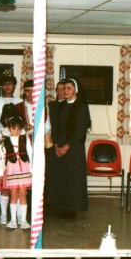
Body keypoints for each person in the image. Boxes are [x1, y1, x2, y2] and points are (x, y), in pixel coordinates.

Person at [53, 78, 91, 218]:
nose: (65, 91)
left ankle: (71, 208)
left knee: (72, 178)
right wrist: (57, 145)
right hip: (60, 147)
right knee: (61, 177)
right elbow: (56, 127)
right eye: (64, 88)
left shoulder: (80, 106)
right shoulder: (62, 106)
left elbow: (80, 130)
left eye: (69, 88)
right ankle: (61, 206)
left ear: (75, 90)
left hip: (74, 148)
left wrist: (66, 147)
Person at [0, 115, 32, 230]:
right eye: (13, 128)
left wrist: (32, 170)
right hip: (11, 168)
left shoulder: (24, 138)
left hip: (24, 168)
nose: (16, 131)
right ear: (8, 128)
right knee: (13, 195)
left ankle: (23, 220)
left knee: (22, 194)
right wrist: (0, 172)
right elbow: (1, 157)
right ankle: (12, 220)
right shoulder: (4, 139)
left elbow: (30, 153)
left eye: (18, 128)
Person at [45, 81, 65, 209]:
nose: (60, 92)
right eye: (58, 90)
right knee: (51, 175)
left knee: (64, 177)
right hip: (52, 144)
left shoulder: (72, 106)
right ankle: (50, 204)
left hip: (66, 146)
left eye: (63, 89)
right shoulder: (51, 105)